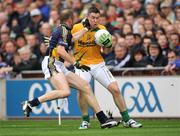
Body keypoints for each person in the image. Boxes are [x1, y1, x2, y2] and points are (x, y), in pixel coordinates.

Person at [21, 9, 118, 129]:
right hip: (52, 63)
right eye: (74, 18)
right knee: (65, 92)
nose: (75, 20)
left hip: (58, 64)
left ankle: (103, 120)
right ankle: (30, 103)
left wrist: (85, 29)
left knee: (85, 86)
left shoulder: (63, 30)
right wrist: (76, 63)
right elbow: (61, 51)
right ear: (69, 19)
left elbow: (72, 39)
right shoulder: (63, 30)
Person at [71, 6, 142, 129]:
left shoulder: (102, 29)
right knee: (81, 91)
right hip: (81, 64)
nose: (95, 20)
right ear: (87, 17)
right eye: (93, 17)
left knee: (115, 89)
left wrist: (108, 45)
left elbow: (106, 50)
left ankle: (126, 119)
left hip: (98, 64)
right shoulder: (77, 27)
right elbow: (70, 41)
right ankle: (85, 120)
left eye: (97, 18)